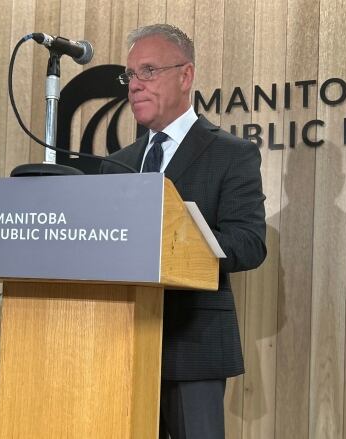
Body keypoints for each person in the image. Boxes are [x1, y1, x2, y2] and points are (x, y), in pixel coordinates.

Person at [99, 24, 267, 439]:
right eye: (130, 76)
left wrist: (178, 241)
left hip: (194, 345)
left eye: (148, 71)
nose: (134, 86)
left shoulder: (232, 154)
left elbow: (249, 243)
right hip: (121, 342)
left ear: (186, 75)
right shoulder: (116, 164)